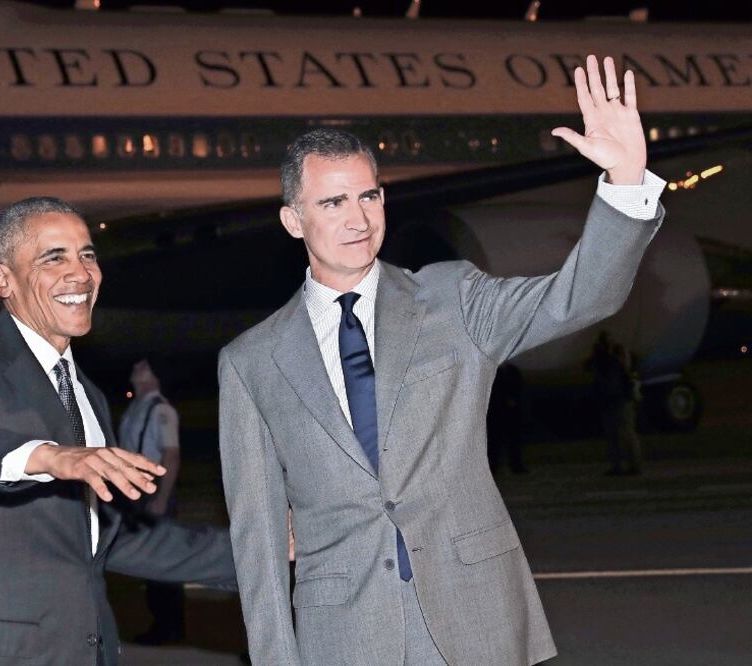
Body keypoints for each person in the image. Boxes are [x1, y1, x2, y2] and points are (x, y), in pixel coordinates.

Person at [218, 55, 665, 665]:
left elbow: (578, 297)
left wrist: (626, 179)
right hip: (344, 639)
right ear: (293, 220)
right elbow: (258, 543)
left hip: (474, 621)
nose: (358, 219)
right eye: (333, 203)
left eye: (369, 195)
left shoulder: (452, 299)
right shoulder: (251, 362)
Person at [0, 196, 235, 666]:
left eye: (88, 255)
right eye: (53, 258)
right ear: (2, 279)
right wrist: (49, 456)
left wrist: (261, 547)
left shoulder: (89, 395)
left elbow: (108, 542)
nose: (80, 273)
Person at [118, 358, 185, 645]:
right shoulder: (138, 407)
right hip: (136, 488)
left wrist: (161, 498)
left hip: (153, 488)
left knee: (161, 559)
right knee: (150, 559)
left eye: (145, 366)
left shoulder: (162, 410)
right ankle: (163, 624)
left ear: (155, 377)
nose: (137, 367)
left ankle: (169, 627)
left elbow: (171, 454)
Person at [587, 333, 642, 475]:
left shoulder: (611, 360)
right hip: (619, 399)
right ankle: (630, 465)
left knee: (618, 434)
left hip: (615, 400)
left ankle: (622, 465)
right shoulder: (615, 358)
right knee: (623, 433)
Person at [487, 363, 527, 475]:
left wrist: (513, 400)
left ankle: (515, 465)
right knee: (495, 441)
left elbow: (519, 387)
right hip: (497, 411)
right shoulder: (496, 370)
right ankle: (494, 465)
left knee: (513, 440)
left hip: (510, 412)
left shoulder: (511, 370)